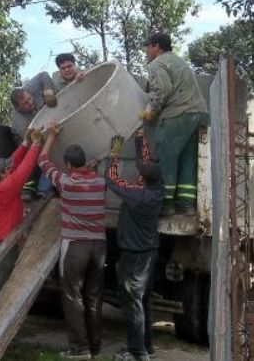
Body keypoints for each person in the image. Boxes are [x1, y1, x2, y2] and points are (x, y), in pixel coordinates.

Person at [39, 121, 107, 360]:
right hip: (99, 247)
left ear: (68, 165)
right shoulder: (99, 183)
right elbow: (89, 174)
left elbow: (43, 160)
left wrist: (51, 136)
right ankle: (95, 347)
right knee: (93, 297)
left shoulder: (65, 182)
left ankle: (80, 349)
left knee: (72, 296)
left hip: (76, 246)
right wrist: (93, 166)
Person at [105, 132, 164, 361]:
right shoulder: (158, 188)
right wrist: (141, 137)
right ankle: (146, 346)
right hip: (149, 252)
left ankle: (137, 353)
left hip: (135, 256)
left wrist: (114, 156)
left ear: (142, 179)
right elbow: (145, 163)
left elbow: (111, 180)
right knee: (143, 301)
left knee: (132, 303)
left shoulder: (136, 195)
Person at [139, 32, 208, 216]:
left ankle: (165, 204)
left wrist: (151, 109)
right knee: (188, 160)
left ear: (156, 47)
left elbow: (163, 89)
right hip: (198, 113)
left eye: (148, 47)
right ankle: (186, 204)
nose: (146, 51)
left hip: (178, 115)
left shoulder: (157, 64)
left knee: (166, 158)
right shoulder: (179, 61)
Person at [0, 127, 43, 319]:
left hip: (2, 241)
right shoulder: (6, 187)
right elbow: (25, 168)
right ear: (2, 174)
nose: (11, 168)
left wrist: (25, 142)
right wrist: (36, 144)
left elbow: (14, 162)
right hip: (2, 244)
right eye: (7, 169)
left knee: (2, 283)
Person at [10, 71, 57, 201]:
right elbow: (33, 140)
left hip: (47, 125)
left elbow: (43, 75)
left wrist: (48, 90)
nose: (30, 103)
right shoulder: (19, 123)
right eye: (25, 104)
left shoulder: (31, 86)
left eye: (29, 98)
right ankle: (30, 187)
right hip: (27, 137)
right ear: (18, 109)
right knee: (36, 156)